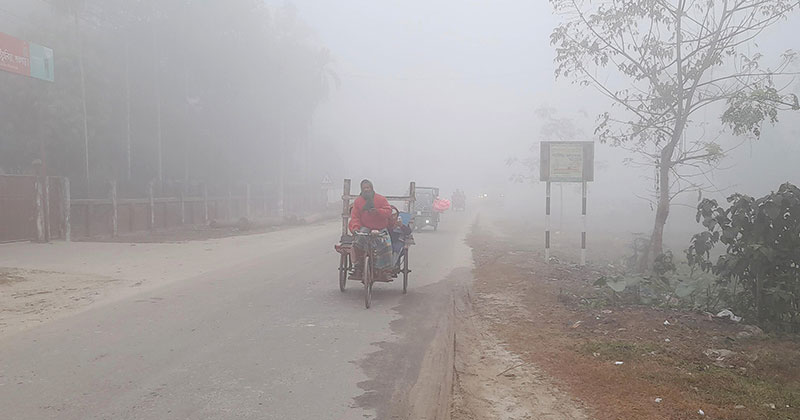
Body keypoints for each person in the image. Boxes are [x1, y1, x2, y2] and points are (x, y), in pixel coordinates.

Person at [348, 179, 393, 279]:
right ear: (362, 189)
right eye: (364, 188)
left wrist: (378, 211)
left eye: (368, 187)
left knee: (386, 244)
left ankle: (385, 270)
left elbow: (388, 211)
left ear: (372, 188)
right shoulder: (358, 202)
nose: (366, 190)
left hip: (380, 228)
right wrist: (355, 228)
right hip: (365, 228)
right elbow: (355, 217)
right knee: (357, 242)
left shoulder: (380, 199)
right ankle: (358, 265)